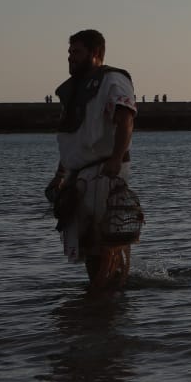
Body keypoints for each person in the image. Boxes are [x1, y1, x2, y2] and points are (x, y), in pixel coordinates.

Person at [46, 29, 139, 294]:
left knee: (104, 239)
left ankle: (105, 298)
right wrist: (60, 175)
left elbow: (126, 119)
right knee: (88, 243)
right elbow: (74, 138)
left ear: (95, 53)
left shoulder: (112, 80)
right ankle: (101, 294)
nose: (70, 58)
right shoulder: (76, 89)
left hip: (104, 170)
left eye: (76, 52)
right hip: (80, 173)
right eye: (69, 53)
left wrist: (116, 159)